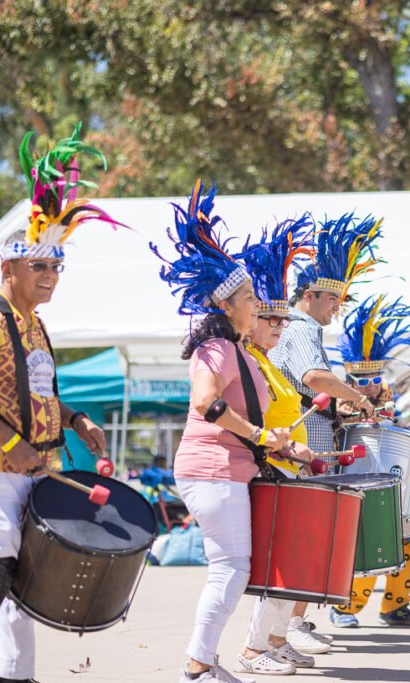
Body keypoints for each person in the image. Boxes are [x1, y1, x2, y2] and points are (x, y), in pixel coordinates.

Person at [0, 124, 115, 683]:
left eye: (56, 267)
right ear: (8, 269)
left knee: (28, 584)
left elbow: (36, 394)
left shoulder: (36, 326)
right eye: (39, 266)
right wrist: (14, 445)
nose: (50, 277)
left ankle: (16, 677)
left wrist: (77, 420)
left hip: (40, 469)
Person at [154, 181, 295, 682]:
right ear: (227, 306)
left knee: (233, 567)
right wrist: (260, 437)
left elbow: (246, 416)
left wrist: (282, 444)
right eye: (250, 298)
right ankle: (198, 664)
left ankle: (203, 661)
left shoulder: (237, 351)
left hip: (227, 469)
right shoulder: (216, 349)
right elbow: (206, 404)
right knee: (230, 567)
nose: (257, 305)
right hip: (212, 469)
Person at [233, 217, 336, 675]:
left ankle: (275, 642)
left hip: (292, 464)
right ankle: (254, 650)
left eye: (279, 319)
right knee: (280, 565)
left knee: (296, 562)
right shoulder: (247, 359)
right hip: (270, 467)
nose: (277, 326)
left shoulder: (266, 361)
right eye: (269, 319)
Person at [328, 295, 410, 628]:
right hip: (353, 486)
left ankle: (395, 606)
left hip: (388, 485)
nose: (371, 387)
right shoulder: (338, 405)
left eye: (375, 380)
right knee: (361, 546)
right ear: (350, 383)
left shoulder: (390, 403)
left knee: (406, 540)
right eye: (363, 382)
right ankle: (345, 608)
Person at [272, 213, 384, 456]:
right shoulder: (301, 328)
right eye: (332, 298)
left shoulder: (294, 326)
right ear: (309, 295)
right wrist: (360, 399)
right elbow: (315, 378)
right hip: (302, 450)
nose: (337, 306)